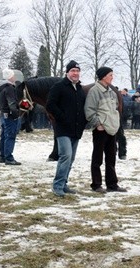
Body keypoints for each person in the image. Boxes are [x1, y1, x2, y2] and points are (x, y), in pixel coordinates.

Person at [45, 60, 86, 197]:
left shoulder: (80, 89)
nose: (75, 73)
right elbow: (50, 104)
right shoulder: (59, 87)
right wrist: (62, 117)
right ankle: (57, 185)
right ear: (67, 72)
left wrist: (83, 121)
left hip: (76, 129)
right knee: (65, 155)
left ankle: (64, 183)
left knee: (71, 158)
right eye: (73, 71)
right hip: (62, 129)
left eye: (77, 71)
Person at [84, 67, 127, 194]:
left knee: (111, 157)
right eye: (110, 75)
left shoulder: (112, 92)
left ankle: (112, 184)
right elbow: (89, 110)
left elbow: (114, 109)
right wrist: (98, 124)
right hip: (101, 129)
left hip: (111, 129)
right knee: (97, 158)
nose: (112, 77)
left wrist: (115, 123)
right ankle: (96, 184)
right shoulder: (94, 91)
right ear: (103, 76)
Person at [0, 68, 21, 165]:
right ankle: (9, 158)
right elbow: (12, 104)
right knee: (10, 136)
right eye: (13, 75)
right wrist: (16, 114)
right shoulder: (10, 88)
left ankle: (2, 156)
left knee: (3, 136)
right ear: (10, 77)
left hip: (3, 114)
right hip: (10, 115)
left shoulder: (1, 88)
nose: (14, 77)